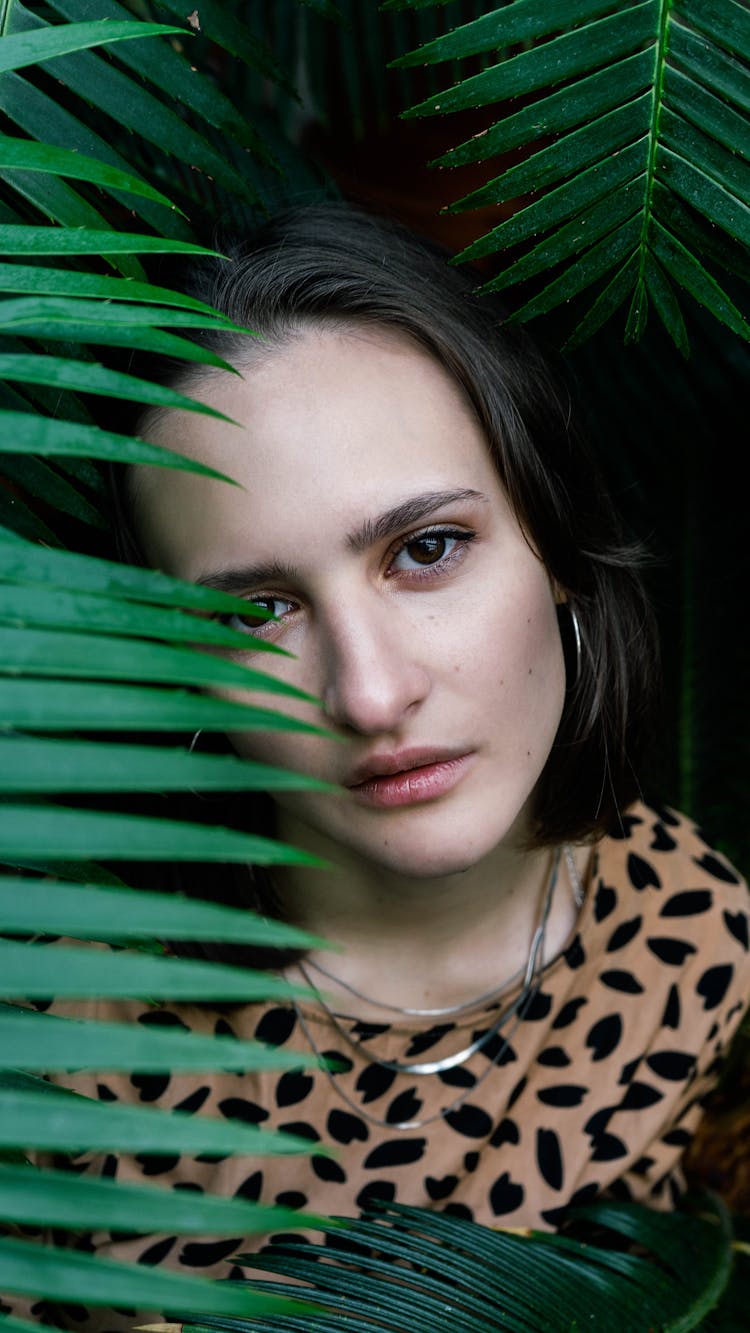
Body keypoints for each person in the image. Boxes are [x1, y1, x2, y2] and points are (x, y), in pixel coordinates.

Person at [9, 204, 750, 1328]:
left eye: (426, 549)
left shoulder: (692, 930)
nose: (367, 692)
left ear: (556, 543)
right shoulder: (69, 1012)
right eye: (257, 610)